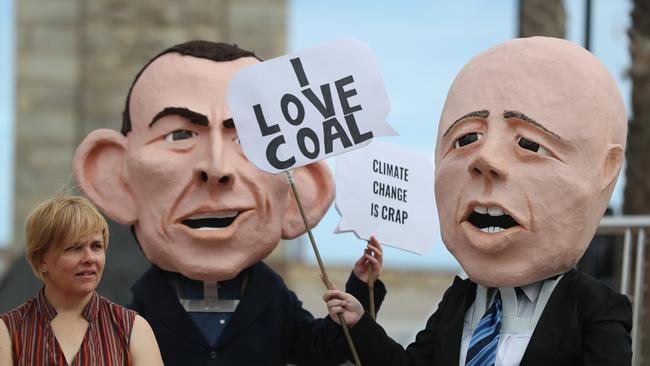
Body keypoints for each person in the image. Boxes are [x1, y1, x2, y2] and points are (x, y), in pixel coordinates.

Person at [73, 40, 385, 365]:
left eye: (249, 139)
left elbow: (317, 349)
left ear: (300, 193)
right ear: (115, 180)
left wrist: (360, 290)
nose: (217, 168)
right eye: (180, 135)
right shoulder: (133, 307)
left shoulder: (272, 297)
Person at [324, 36, 632, 365]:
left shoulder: (594, 307)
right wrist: (360, 323)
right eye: (466, 138)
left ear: (604, 170)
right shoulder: (460, 299)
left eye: (529, 143)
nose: (485, 159)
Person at [0, 195, 163, 365]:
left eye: (96, 246)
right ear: (42, 259)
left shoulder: (133, 329)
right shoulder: (8, 332)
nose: (89, 258)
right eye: (75, 248)